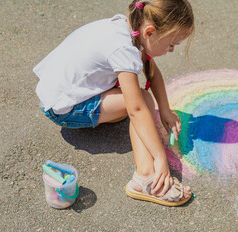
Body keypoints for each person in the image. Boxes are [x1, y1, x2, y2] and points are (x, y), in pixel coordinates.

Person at [33, 0, 194, 206]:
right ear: (150, 32)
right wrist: (160, 158)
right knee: (142, 100)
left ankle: (110, 114)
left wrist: (165, 109)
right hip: (65, 109)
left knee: (137, 100)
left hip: (59, 93)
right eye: (171, 44)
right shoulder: (123, 48)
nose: (171, 50)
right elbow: (136, 108)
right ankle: (144, 176)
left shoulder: (129, 28)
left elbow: (150, 67)